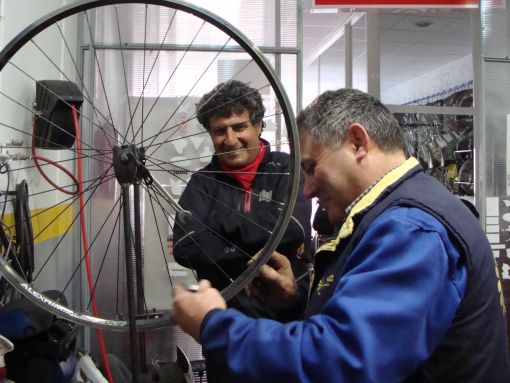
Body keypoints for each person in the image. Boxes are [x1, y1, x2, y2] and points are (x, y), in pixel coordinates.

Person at [172, 88, 510, 383]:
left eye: (310, 167)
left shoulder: (410, 228)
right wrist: (295, 300)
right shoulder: (399, 215)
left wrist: (214, 325)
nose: (307, 191)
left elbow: (341, 362)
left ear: (358, 143)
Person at [172, 80, 311, 320]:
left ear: (259, 126)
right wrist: (259, 246)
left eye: (239, 127)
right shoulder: (202, 181)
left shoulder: (289, 168)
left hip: (286, 317)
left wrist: (217, 227)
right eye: (219, 130)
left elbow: (293, 228)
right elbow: (185, 247)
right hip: (225, 321)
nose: (230, 139)